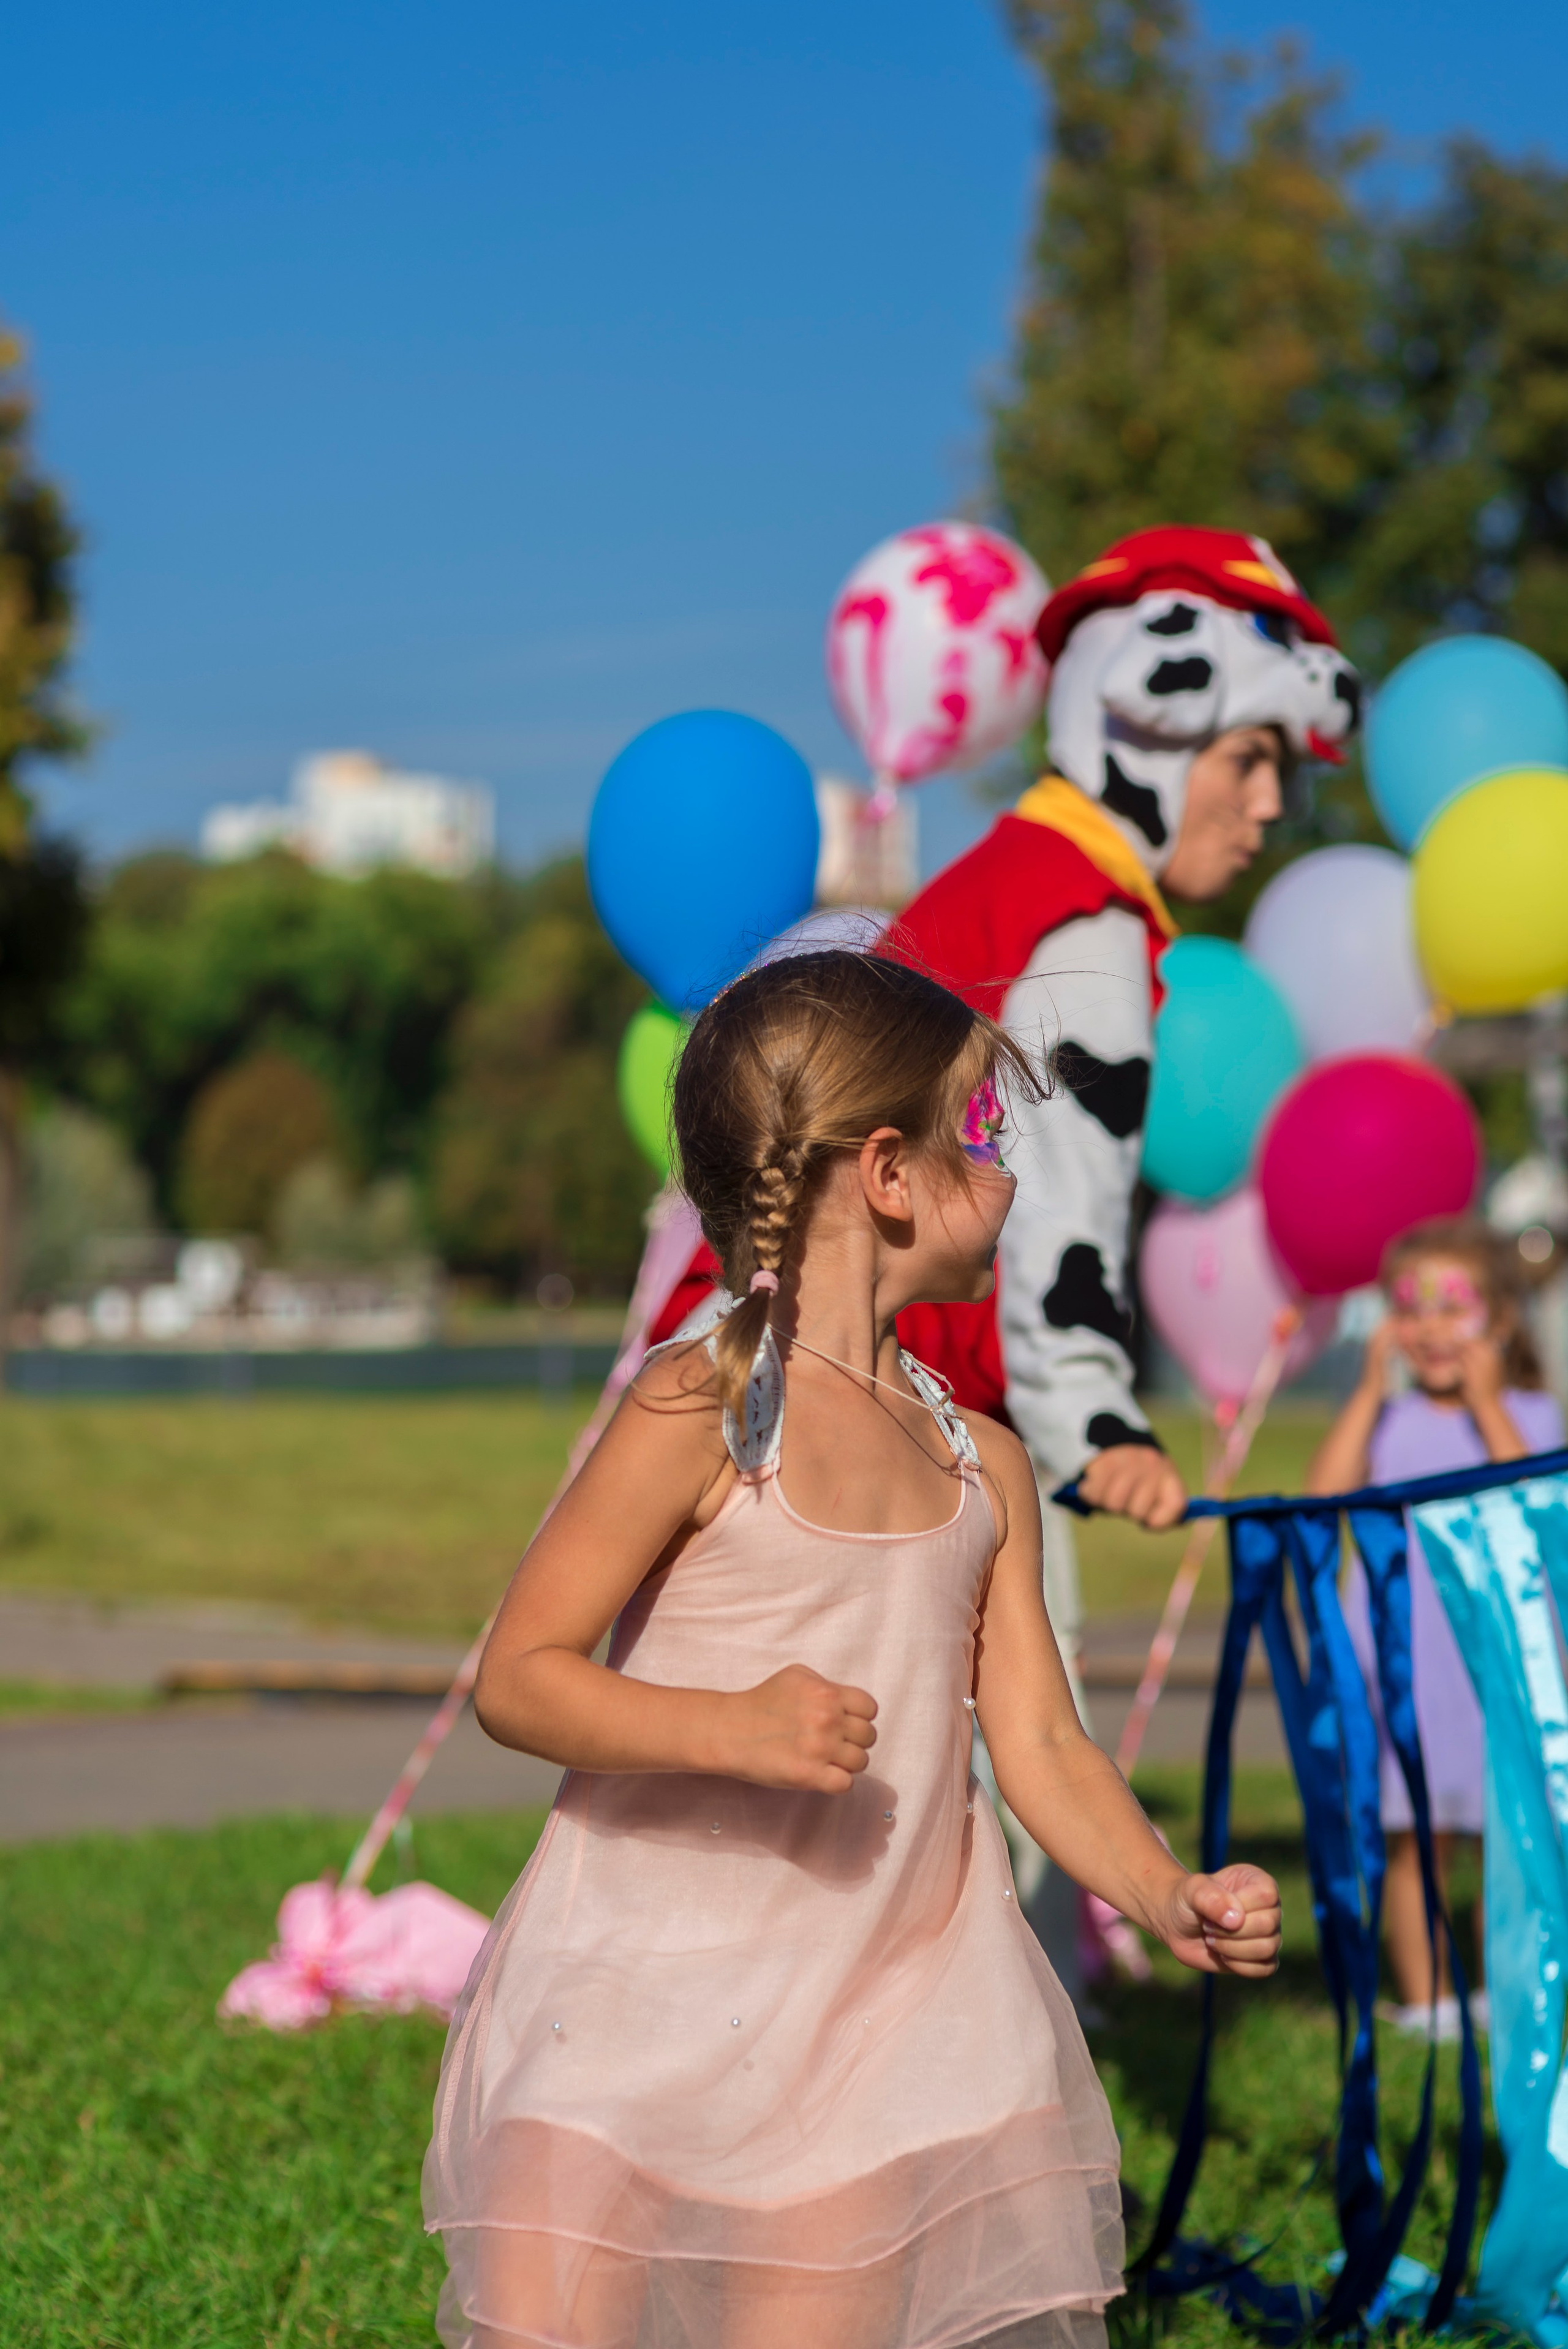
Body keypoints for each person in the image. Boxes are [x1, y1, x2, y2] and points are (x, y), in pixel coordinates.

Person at [424, 949, 1281, 2349]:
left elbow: (1045, 1747)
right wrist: (725, 1726)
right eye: (987, 1131)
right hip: (638, 1993)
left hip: (879, 2024)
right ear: (889, 1170)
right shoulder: (703, 1405)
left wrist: (1159, 1887)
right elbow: (519, 1675)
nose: (1012, 1165)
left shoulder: (978, 1463)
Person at [1308, 1216, 1562, 2039]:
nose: (1430, 1329)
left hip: (1492, 1666)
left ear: (1501, 1318)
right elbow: (1322, 1499)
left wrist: (1488, 1402)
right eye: (1410, 1308)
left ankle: (1516, 1990)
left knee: (1511, 1840)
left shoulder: (1529, 1412)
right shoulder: (1387, 1421)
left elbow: (1529, 1499)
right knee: (1416, 1835)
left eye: (1454, 1307)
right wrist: (1368, 1392)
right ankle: (1429, 2003)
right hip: (1405, 1661)